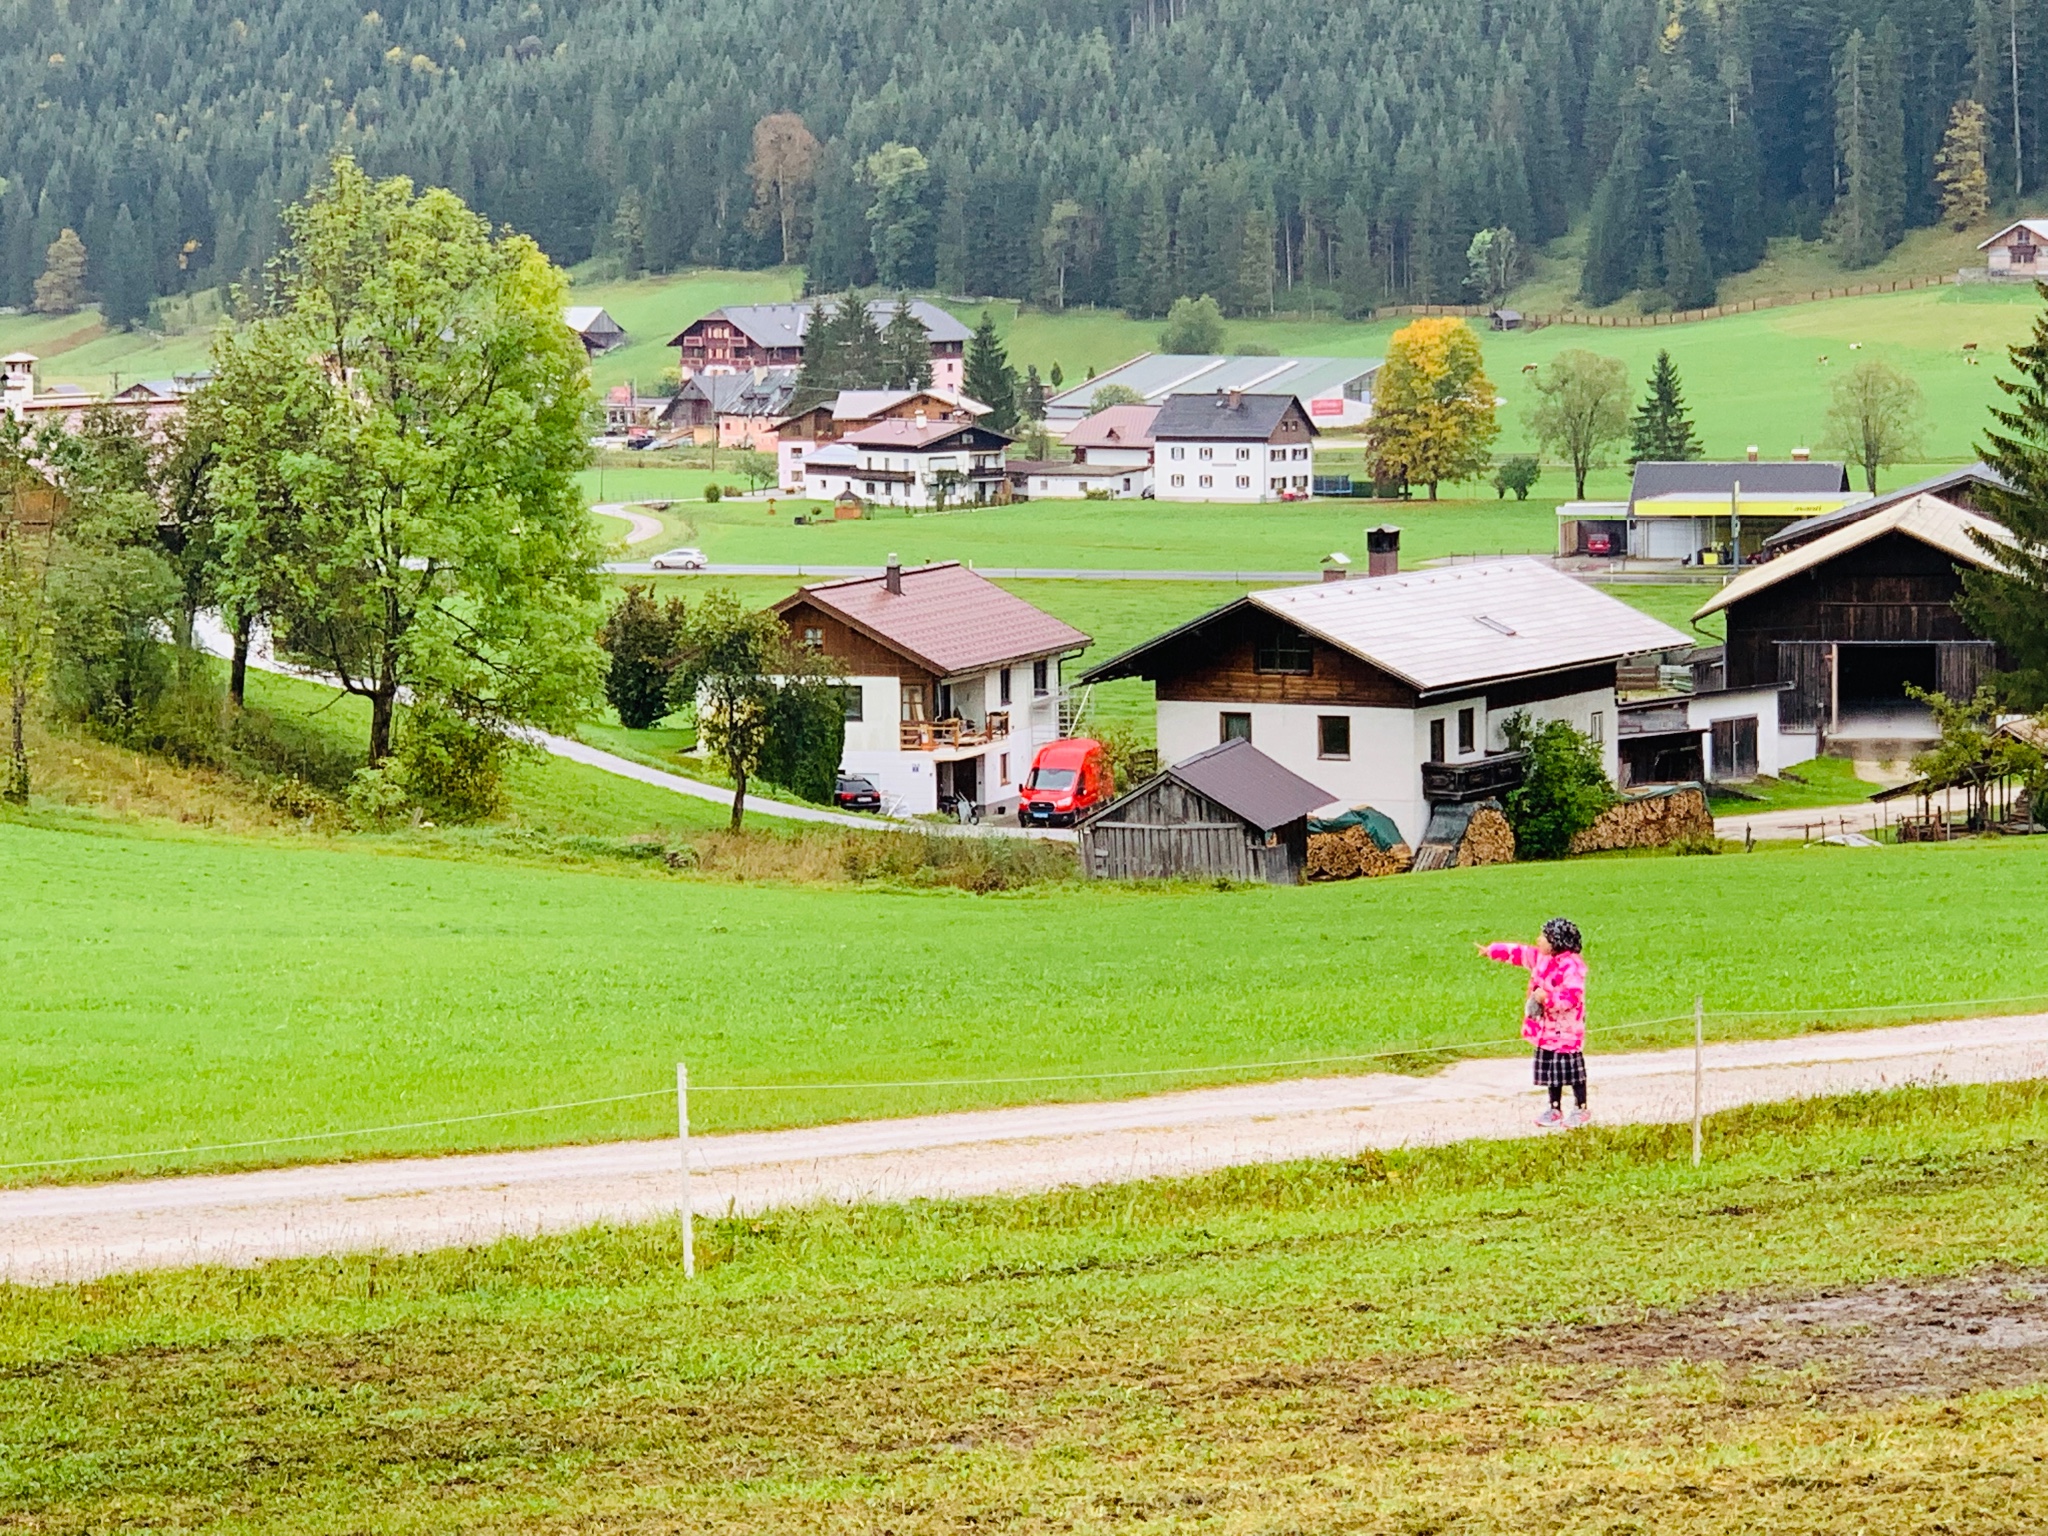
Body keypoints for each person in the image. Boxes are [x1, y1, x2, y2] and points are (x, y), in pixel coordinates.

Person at [1477, 918, 1589, 1129]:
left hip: (1567, 1031)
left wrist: (1546, 998)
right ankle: (1555, 1108)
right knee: (1551, 1073)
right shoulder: (1541, 959)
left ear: (1556, 941)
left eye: (1544, 937)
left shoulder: (1572, 967)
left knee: (1573, 1072)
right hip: (1546, 1030)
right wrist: (1492, 951)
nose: (1538, 940)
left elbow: (1572, 997)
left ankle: (1580, 1108)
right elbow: (1518, 953)